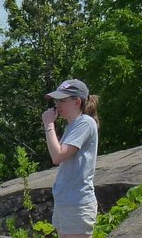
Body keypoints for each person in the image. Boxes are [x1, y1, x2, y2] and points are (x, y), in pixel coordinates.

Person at [42, 78, 100, 237]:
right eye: (56, 100)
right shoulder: (72, 126)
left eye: (62, 100)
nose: (57, 105)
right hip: (66, 202)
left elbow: (58, 156)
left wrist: (49, 125)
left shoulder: (85, 123)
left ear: (77, 102)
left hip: (77, 204)